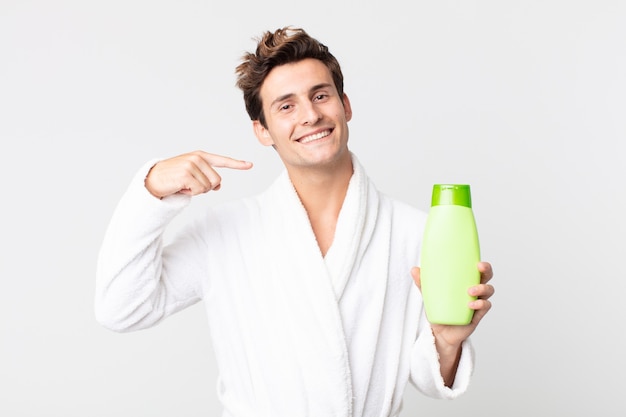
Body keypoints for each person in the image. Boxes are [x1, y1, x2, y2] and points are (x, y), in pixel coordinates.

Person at [95, 26, 495, 417]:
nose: (310, 115)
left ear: (345, 105)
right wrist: (150, 192)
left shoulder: (416, 232)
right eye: (286, 106)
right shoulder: (223, 233)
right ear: (262, 130)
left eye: (320, 95)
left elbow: (429, 379)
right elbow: (121, 308)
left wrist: (445, 341)